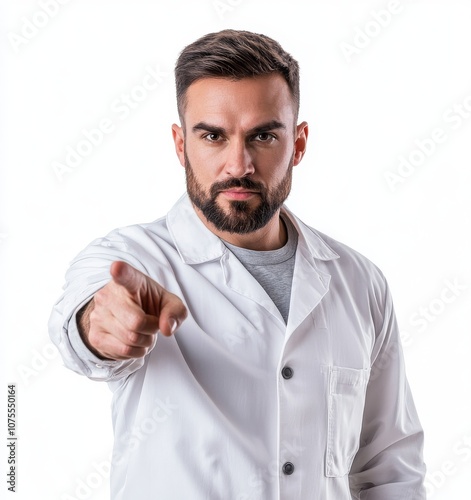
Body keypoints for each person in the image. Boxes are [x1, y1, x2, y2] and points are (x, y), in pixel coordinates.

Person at [49, 29, 426, 499]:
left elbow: (388, 466)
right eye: (212, 136)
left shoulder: (359, 281)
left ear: (299, 143)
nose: (239, 164)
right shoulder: (131, 259)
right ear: (181, 144)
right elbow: (80, 324)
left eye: (264, 135)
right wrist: (99, 327)